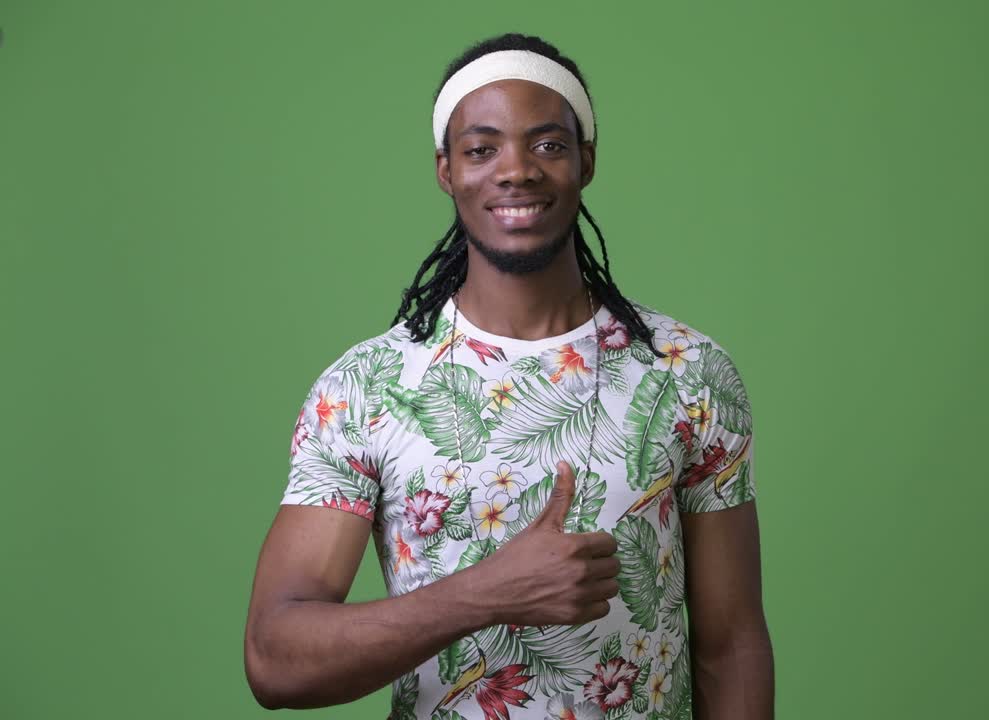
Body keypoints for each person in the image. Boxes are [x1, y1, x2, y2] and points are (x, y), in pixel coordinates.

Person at [243, 32, 773, 720]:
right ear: (446, 171)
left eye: (548, 144)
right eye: (481, 149)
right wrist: (487, 593)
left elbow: (731, 645)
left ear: (586, 161)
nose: (517, 170)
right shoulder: (367, 389)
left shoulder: (688, 373)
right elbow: (274, 662)